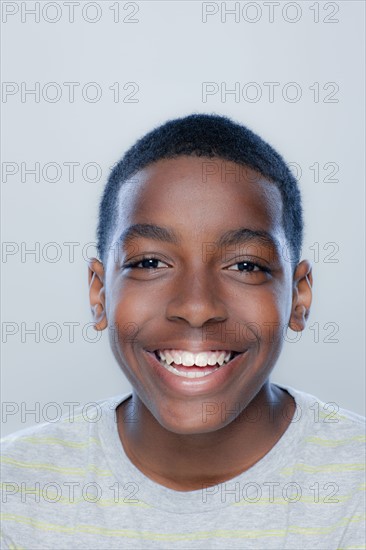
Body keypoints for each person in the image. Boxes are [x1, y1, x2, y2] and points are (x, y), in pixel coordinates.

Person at [1, 114, 365, 549]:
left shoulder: (354, 493)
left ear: (299, 297)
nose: (196, 308)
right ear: (99, 294)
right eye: (150, 263)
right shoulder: (16, 491)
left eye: (246, 266)